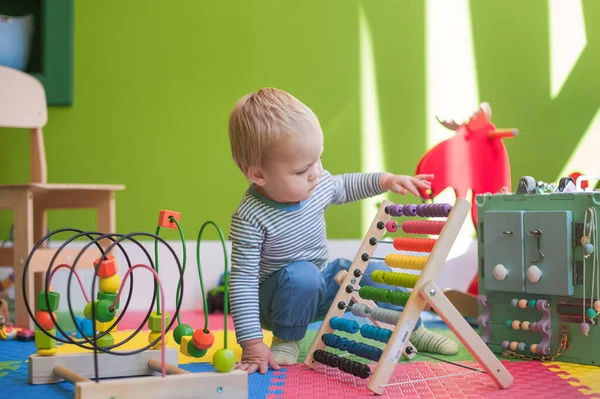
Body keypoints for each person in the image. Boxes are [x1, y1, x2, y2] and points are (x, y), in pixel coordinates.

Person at [227, 88, 459, 375]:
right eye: (302, 170)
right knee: (302, 274)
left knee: (372, 272)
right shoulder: (250, 217)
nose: (316, 173)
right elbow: (242, 282)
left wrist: (385, 180)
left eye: (318, 160)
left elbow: (344, 185)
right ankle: (286, 339)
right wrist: (251, 343)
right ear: (259, 175)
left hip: (318, 287)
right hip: (274, 302)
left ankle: (413, 328)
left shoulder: (317, 183)